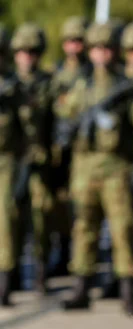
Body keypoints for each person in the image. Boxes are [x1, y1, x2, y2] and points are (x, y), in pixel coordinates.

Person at [59, 21, 133, 316]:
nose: (102, 54)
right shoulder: (81, 84)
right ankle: (81, 287)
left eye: (107, 48)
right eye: (96, 48)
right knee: (84, 226)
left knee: (122, 228)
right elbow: (64, 118)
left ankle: (128, 292)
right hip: (85, 166)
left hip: (116, 167)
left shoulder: (124, 85)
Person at [11, 22, 55, 295]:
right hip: (12, 164)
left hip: (40, 162)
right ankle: (11, 272)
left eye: (33, 51)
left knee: (41, 218)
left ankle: (40, 272)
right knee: (10, 220)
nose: (28, 56)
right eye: (23, 51)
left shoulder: (48, 84)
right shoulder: (8, 84)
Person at [49, 16, 91, 279]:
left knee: (86, 210)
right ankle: (63, 255)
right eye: (70, 41)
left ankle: (86, 264)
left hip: (86, 153)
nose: (75, 46)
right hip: (60, 151)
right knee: (60, 207)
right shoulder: (57, 73)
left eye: (79, 41)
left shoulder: (94, 75)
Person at [0, 24, 24, 306]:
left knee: (4, 221)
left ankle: (4, 284)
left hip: (5, 161)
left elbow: (26, 129)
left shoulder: (12, 85)